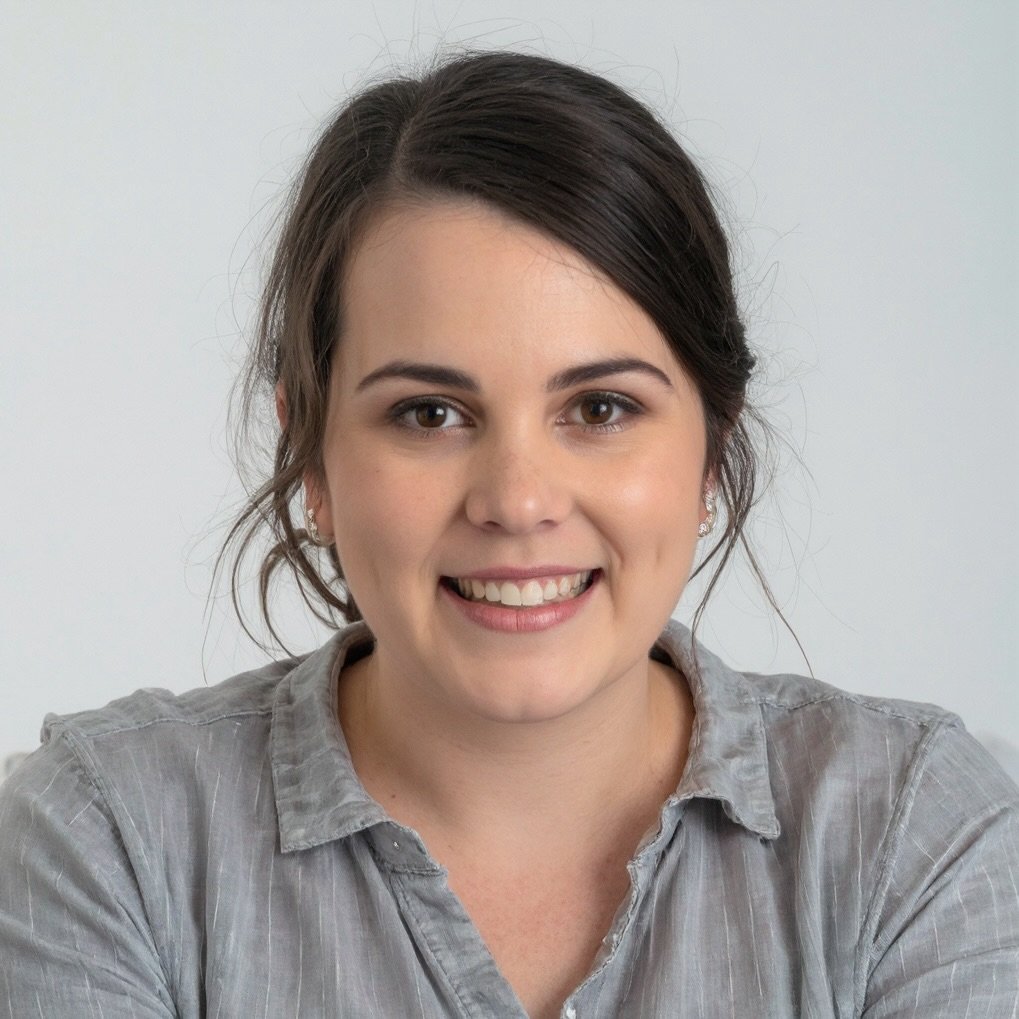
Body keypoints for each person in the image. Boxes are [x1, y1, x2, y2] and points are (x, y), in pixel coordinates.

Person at [0, 50, 1016, 1019]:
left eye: (602, 407)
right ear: (309, 455)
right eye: (429, 413)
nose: (518, 499)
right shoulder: (107, 837)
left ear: (711, 451)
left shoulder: (914, 831)